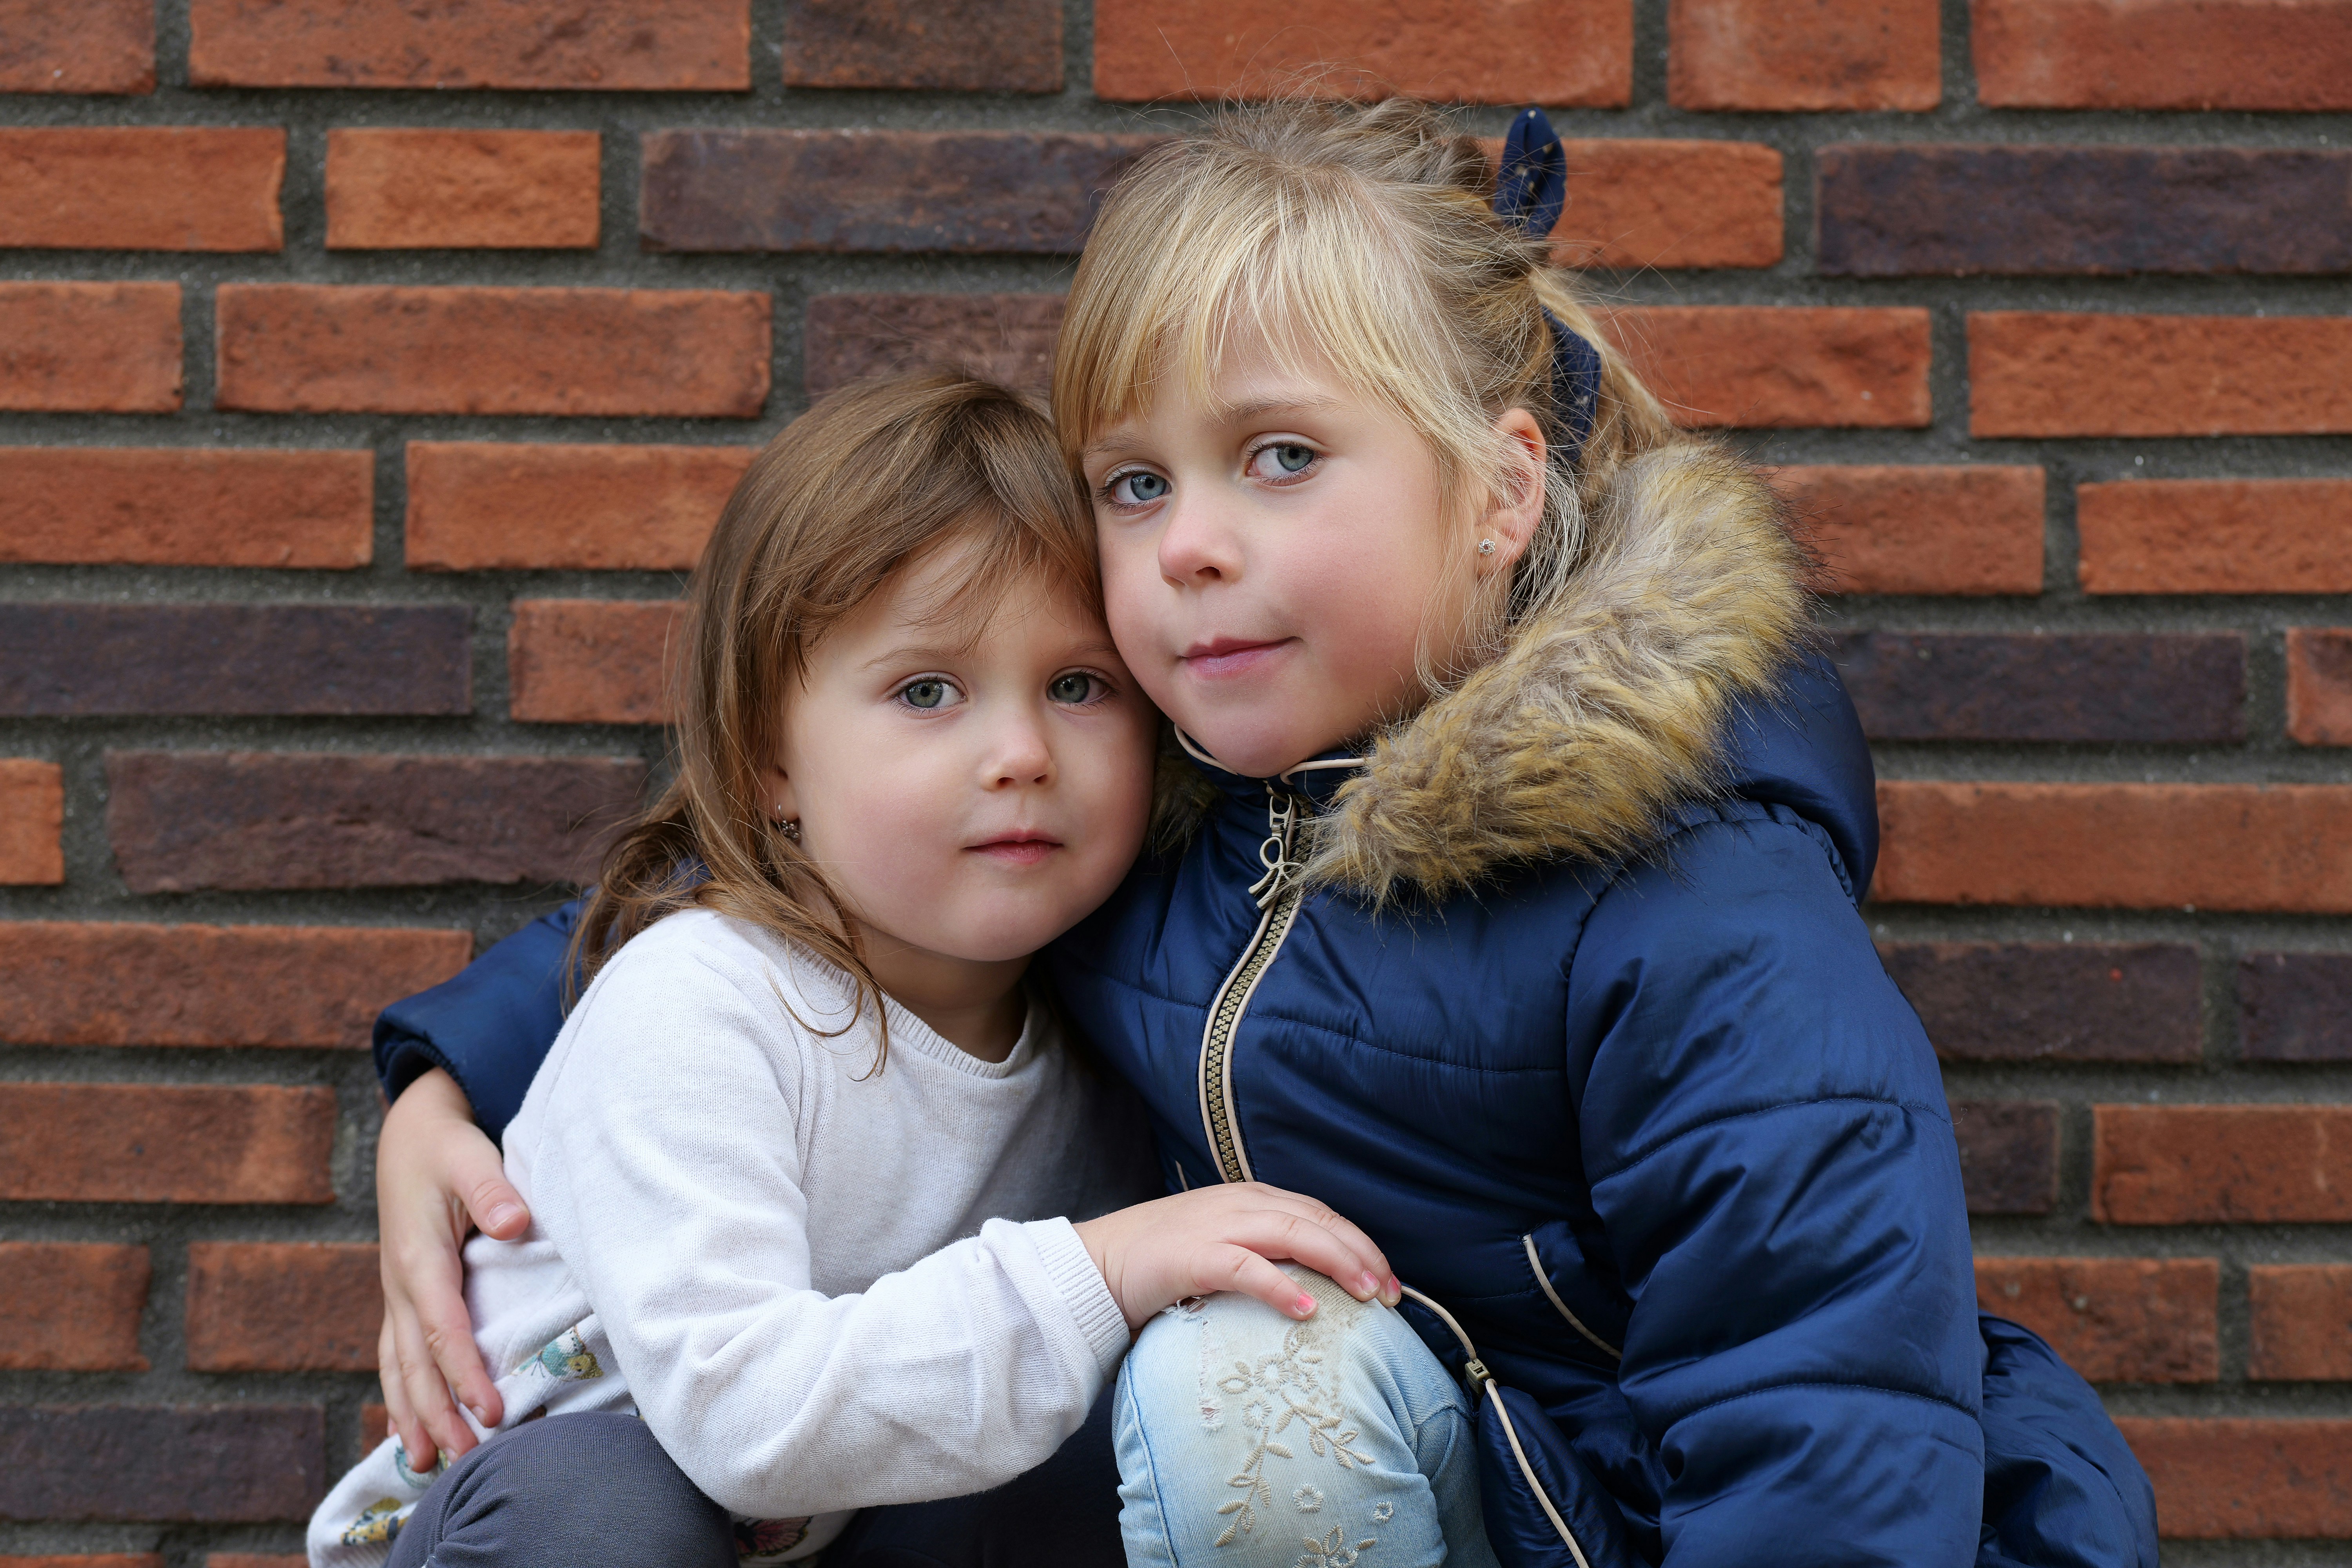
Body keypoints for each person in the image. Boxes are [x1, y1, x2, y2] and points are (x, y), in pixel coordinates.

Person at [366, 102, 2157, 1568]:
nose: (1189, 546)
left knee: (1242, 1367)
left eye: (1280, 458)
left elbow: (1821, 1394)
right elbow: (813, 902)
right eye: (1138, 485)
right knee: (1219, 1365)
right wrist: (454, 1086)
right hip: (1328, 1486)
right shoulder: (1163, 787)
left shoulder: (1693, 897)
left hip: (1654, 1524)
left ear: (1503, 486)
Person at [312, 372, 1401, 1568]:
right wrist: (1106, 1265)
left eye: (1078, 686)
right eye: (927, 691)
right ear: (771, 759)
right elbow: (746, 1422)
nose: (1022, 754)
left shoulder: (1115, 1014)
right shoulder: (701, 1001)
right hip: (541, 1525)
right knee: (608, 1503)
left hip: (841, 1532)